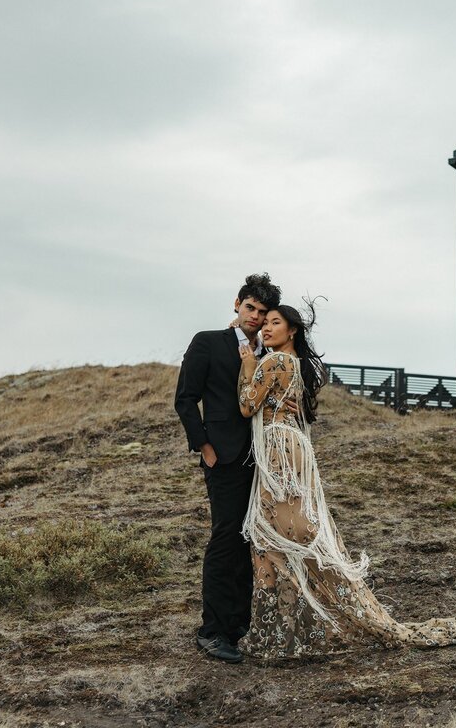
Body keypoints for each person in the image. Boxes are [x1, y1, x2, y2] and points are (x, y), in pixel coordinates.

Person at [236, 301, 456, 659]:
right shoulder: (297, 365)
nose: (267, 328)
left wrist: (247, 363)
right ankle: (301, 621)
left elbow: (246, 404)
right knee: (283, 535)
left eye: (275, 322)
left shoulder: (274, 361)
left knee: (274, 537)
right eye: (265, 323)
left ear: (293, 331)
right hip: (293, 447)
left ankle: (288, 629)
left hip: (278, 451)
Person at [174, 272, 282, 664]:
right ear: (237, 304)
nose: (255, 317)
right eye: (250, 307)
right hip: (223, 456)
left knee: (249, 538)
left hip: (265, 460)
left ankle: (238, 627)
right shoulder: (207, 342)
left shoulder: (270, 353)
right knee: (225, 537)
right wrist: (204, 446)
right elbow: (185, 399)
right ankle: (212, 631)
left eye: (263, 312)